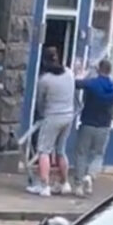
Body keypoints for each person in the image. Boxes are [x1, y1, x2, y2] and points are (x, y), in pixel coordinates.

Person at [27, 47, 76, 197]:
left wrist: (42, 113)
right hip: (68, 116)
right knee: (61, 151)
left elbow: (40, 102)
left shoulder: (45, 80)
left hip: (52, 116)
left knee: (44, 151)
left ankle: (44, 186)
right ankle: (65, 183)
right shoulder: (69, 73)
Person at [73, 59, 113, 197]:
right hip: (104, 126)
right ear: (110, 71)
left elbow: (77, 83)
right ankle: (90, 175)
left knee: (81, 153)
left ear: (99, 69)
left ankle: (78, 185)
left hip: (88, 123)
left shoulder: (92, 84)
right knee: (98, 155)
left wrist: (83, 73)